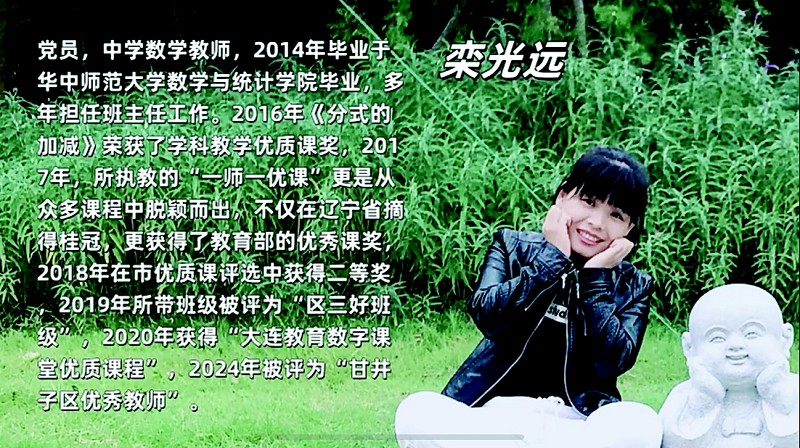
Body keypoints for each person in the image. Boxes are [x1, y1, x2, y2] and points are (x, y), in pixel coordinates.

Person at [394, 146, 663, 447]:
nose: (597, 223)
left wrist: (594, 280)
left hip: (576, 426)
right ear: (563, 195)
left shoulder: (635, 285)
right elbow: (488, 317)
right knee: (415, 412)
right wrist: (551, 261)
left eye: (616, 215)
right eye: (589, 202)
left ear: (629, 227)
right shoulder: (512, 246)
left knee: (643, 424)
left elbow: (611, 364)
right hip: (493, 415)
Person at [659, 284, 798, 448]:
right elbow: (671, 441)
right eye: (717, 337)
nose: (735, 345)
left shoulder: (795, 389)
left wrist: (777, 394)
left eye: (751, 334)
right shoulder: (683, 396)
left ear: (784, 339)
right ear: (689, 347)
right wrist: (703, 398)